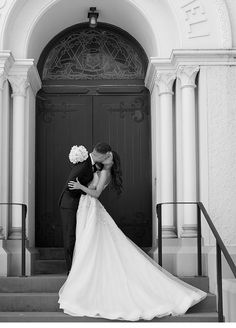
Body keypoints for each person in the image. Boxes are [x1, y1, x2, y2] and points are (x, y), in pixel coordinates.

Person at [58, 149, 207, 321]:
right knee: (90, 244)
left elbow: (96, 194)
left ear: (111, 161)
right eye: (108, 156)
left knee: (94, 243)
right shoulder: (96, 169)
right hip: (86, 210)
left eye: (111, 157)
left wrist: (79, 186)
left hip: (92, 209)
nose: (108, 158)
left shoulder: (105, 173)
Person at [58, 142, 111, 275]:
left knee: (78, 236)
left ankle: (77, 267)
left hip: (80, 204)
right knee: (70, 237)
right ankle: (70, 270)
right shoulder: (84, 164)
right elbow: (70, 186)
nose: (106, 159)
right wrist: (84, 192)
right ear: (100, 155)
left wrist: (84, 191)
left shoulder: (92, 164)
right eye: (105, 157)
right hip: (69, 204)